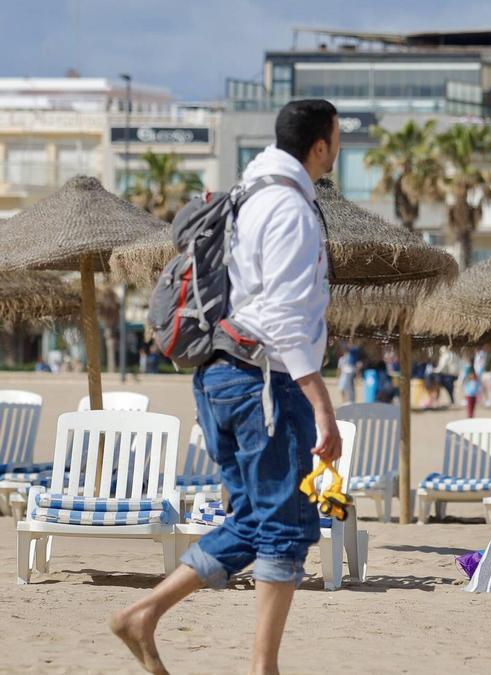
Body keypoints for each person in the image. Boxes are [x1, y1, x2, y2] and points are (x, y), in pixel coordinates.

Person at [110, 98, 343, 675]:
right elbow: (285, 318)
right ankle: (264, 670)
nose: (339, 148)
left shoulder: (247, 196)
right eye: (337, 139)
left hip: (219, 375)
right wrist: (323, 407)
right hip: (262, 379)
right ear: (320, 146)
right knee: (287, 529)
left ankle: (144, 614)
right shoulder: (288, 208)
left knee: (253, 522)